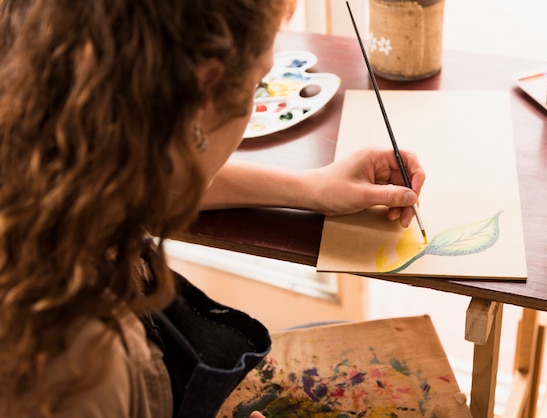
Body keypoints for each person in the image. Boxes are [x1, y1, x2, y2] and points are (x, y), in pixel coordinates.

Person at [0, 0, 425, 417]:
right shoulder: (80, 365)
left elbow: (158, 175)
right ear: (202, 94)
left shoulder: (51, 135)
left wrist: (312, 187)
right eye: (258, 84)